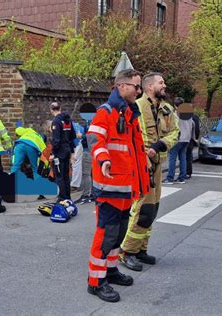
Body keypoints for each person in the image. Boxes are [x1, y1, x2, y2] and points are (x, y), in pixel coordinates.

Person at [86, 69, 150, 303]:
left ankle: (110, 271)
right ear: (121, 86)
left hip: (124, 188)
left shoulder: (129, 113)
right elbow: (94, 138)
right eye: (136, 86)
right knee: (106, 236)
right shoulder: (107, 112)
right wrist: (103, 159)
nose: (139, 90)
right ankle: (96, 282)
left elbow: (134, 151)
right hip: (110, 188)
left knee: (118, 234)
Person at [119, 72, 179, 272]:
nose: (165, 85)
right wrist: (143, 155)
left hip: (157, 166)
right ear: (149, 87)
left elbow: (175, 132)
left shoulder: (167, 110)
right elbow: (128, 137)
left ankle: (140, 249)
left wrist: (161, 144)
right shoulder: (135, 108)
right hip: (141, 166)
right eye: (161, 82)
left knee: (152, 209)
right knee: (142, 209)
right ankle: (127, 251)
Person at [163, 99, 195, 184]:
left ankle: (170, 178)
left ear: (175, 106)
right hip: (187, 139)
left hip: (178, 139)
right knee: (183, 158)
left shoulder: (175, 114)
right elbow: (193, 125)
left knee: (172, 158)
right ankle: (181, 178)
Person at [49, 102, 76, 201]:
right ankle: (68, 198)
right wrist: (72, 151)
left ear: (51, 110)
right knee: (65, 175)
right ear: (60, 108)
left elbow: (56, 140)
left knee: (59, 176)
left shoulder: (56, 121)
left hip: (59, 152)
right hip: (67, 150)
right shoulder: (68, 120)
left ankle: (62, 198)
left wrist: (53, 153)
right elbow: (72, 136)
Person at [70, 121, 84, 191]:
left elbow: (69, 140)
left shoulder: (67, 126)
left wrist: (72, 153)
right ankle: (75, 184)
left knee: (75, 163)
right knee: (76, 164)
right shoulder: (73, 124)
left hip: (79, 143)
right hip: (80, 142)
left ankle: (74, 185)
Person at [186, 110, 200, 179]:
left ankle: (185, 172)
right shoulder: (195, 117)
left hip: (185, 138)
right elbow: (197, 129)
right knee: (189, 156)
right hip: (191, 139)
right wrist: (196, 138)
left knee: (184, 156)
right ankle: (188, 172)